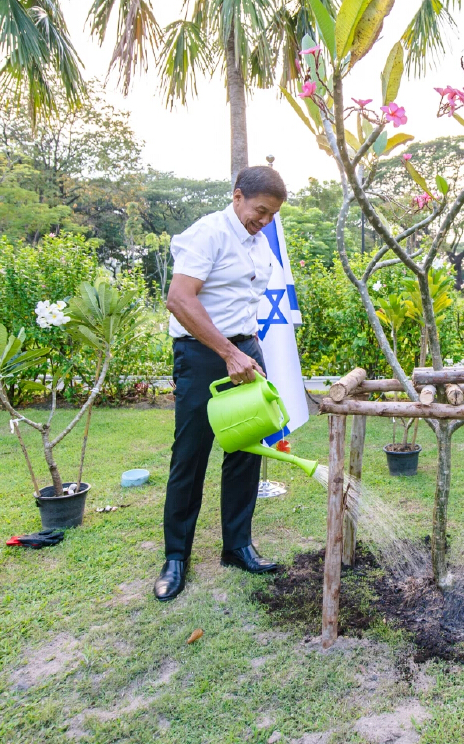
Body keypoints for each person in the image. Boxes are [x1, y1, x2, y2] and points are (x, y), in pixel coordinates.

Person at [154, 166, 287, 602]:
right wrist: (227, 353)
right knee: (190, 455)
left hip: (246, 352)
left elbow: (244, 303)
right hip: (202, 354)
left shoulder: (259, 244)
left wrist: (246, 352)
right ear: (237, 196)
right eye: (260, 211)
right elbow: (179, 298)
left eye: (271, 216)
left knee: (247, 449)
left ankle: (238, 546)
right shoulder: (208, 233)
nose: (264, 221)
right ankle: (176, 557)